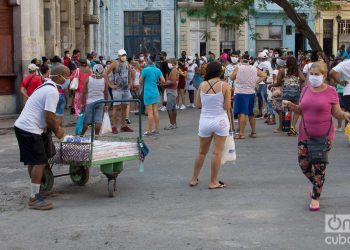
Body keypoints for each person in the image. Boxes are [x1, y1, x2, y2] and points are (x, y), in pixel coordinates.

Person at [283, 62, 350, 211]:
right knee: (304, 164)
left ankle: (315, 197)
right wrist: (290, 105)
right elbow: (301, 110)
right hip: (305, 134)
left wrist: (344, 114)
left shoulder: (331, 91)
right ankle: (317, 184)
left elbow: (336, 113)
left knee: (319, 167)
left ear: (324, 75)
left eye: (316, 74)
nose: (313, 77)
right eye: (311, 74)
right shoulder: (305, 89)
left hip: (324, 136)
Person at [14, 65, 68, 210]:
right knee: (40, 161)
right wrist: (58, 131)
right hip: (29, 128)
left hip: (23, 126)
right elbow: (49, 117)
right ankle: (34, 198)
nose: (68, 80)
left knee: (33, 161)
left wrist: (54, 127)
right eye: (67, 77)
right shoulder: (52, 91)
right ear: (60, 76)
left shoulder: (45, 87)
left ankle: (37, 192)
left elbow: (47, 116)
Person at [190, 62, 231, 189]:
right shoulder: (225, 85)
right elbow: (227, 107)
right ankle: (213, 181)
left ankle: (193, 178)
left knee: (202, 152)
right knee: (216, 153)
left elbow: (197, 104)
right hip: (220, 121)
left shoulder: (202, 85)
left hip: (205, 121)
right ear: (220, 72)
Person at [231, 54, 267, 139]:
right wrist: (256, 82)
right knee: (251, 113)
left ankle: (241, 133)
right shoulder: (254, 68)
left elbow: (232, 77)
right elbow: (264, 75)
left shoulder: (238, 68)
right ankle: (253, 132)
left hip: (240, 93)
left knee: (242, 113)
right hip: (251, 93)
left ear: (241, 60)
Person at [271, 56, 305, 136]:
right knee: (296, 109)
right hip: (296, 91)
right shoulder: (297, 71)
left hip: (286, 92)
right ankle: (293, 127)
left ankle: (287, 126)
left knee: (287, 110)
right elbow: (303, 79)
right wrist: (298, 83)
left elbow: (278, 82)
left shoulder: (282, 70)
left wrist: (271, 85)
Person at [104, 49, 134, 134]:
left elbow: (130, 73)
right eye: (122, 55)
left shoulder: (127, 63)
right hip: (117, 89)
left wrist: (130, 83)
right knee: (116, 107)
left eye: (125, 55)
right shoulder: (114, 63)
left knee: (125, 107)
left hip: (125, 89)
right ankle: (114, 126)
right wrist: (110, 85)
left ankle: (123, 125)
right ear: (119, 56)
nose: (124, 56)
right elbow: (105, 73)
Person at [140, 54, 166, 136]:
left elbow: (140, 81)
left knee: (150, 112)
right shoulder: (157, 70)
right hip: (156, 92)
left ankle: (149, 131)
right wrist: (157, 82)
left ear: (148, 61)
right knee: (155, 111)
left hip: (148, 92)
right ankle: (157, 129)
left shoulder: (145, 70)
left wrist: (145, 81)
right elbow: (163, 81)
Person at [80, 64, 109, 135]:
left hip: (90, 102)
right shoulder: (104, 80)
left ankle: (81, 135)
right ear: (102, 71)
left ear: (93, 70)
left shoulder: (88, 79)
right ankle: (96, 137)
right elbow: (106, 93)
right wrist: (106, 104)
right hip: (101, 101)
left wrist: (82, 103)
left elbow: (83, 93)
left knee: (86, 121)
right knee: (98, 120)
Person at [330, 58, 350, 125]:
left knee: (348, 114)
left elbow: (331, 72)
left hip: (347, 92)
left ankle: (349, 133)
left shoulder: (344, 63)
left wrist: (339, 82)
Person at [162, 58, 179, 130]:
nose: (168, 64)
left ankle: (172, 124)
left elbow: (173, 81)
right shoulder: (174, 70)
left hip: (171, 91)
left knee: (169, 108)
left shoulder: (174, 70)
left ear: (173, 63)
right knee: (173, 108)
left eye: (169, 62)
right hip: (172, 91)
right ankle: (174, 123)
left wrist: (164, 84)